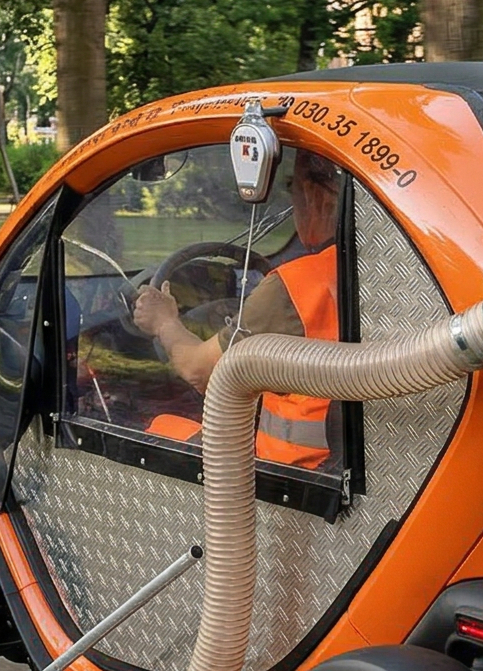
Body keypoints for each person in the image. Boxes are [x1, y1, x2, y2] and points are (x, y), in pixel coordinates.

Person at [131, 147, 343, 468]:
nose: (292, 202)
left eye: (291, 188)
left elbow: (202, 372)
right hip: (344, 463)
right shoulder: (380, 270)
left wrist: (164, 323)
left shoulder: (294, 287)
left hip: (286, 474)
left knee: (151, 427)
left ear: (319, 197)